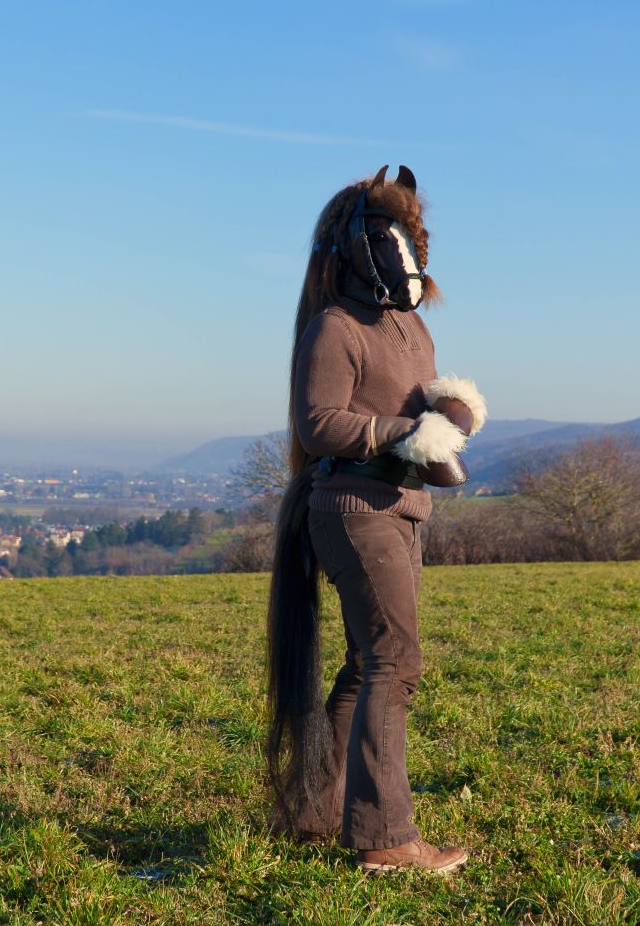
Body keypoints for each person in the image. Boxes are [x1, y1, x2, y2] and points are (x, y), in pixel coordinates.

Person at [265, 165, 487, 874]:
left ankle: (314, 813)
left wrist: (450, 411)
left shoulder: (410, 326)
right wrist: (399, 434)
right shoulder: (334, 327)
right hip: (356, 508)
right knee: (396, 662)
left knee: (370, 664)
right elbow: (319, 422)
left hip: (402, 506)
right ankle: (386, 839)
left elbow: (410, 404)